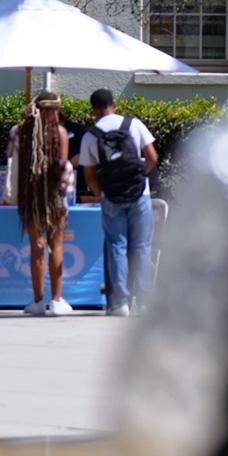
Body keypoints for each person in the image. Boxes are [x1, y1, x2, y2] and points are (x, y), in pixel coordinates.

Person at [79, 88, 159, 317]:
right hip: (139, 195)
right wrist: (140, 179)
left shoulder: (91, 135)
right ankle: (143, 303)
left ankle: (119, 303)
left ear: (94, 109)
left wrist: (101, 192)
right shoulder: (133, 124)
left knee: (117, 247)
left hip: (111, 197)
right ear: (113, 104)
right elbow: (152, 157)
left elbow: (89, 174)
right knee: (142, 247)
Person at [11, 90, 76, 316]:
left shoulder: (18, 132)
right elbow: (63, 167)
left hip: (29, 196)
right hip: (55, 197)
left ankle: (37, 300)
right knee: (56, 246)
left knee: (36, 248)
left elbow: (12, 159)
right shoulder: (60, 133)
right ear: (54, 110)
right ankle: (56, 300)